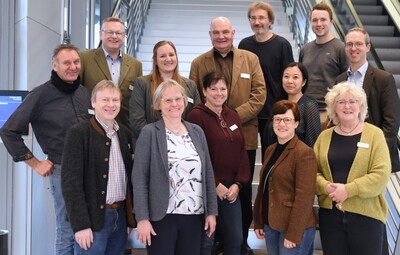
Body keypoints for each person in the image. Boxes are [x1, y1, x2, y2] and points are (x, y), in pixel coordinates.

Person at [0, 44, 91, 254]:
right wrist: (35, 163)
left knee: (85, 228)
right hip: (61, 169)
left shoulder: (84, 93)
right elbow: (8, 131)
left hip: (87, 169)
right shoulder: (40, 95)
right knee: (67, 228)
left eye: (76, 62)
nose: (73, 67)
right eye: (66, 62)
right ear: (54, 65)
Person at [189, 16, 266, 255]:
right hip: (209, 138)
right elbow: (193, 94)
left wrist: (230, 115)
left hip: (244, 134)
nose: (221, 36)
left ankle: (239, 242)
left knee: (241, 195)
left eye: (225, 32)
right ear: (210, 35)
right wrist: (216, 119)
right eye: (216, 32)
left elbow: (259, 94)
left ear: (233, 33)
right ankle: (217, 242)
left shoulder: (250, 59)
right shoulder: (199, 62)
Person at [132, 79, 218, 255]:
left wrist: (211, 212)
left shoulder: (197, 132)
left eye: (178, 99)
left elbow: (208, 174)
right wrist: (142, 218)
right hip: (161, 217)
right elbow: (139, 178)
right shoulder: (149, 133)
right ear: (158, 104)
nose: (174, 104)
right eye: (168, 100)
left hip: (194, 216)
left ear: (185, 102)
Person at [314, 82, 391, 255]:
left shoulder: (374, 134)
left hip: (367, 217)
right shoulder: (324, 137)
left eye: (353, 101)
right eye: (341, 102)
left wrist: (349, 190)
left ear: (361, 106)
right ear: (334, 107)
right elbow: (313, 172)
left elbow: (381, 175)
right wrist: (325, 186)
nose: (347, 106)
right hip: (331, 217)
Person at [61, 80, 135, 254]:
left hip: (120, 217)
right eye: (105, 100)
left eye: (115, 100)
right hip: (93, 221)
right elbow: (70, 184)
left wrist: (129, 219)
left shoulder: (125, 134)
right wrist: (81, 225)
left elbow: (129, 179)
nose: (111, 105)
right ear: (93, 102)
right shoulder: (79, 133)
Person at [187, 72, 250, 255]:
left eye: (222, 88)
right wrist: (215, 185)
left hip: (232, 189)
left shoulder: (232, 115)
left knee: (235, 239)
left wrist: (238, 184)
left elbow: (242, 151)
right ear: (204, 91)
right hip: (207, 188)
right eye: (213, 89)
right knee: (207, 241)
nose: (218, 93)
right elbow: (195, 156)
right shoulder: (196, 117)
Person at [253, 100, 317, 255]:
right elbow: (264, 188)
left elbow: (305, 197)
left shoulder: (304, 153)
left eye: (287, 120)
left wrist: (293, 233)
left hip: (293, 228)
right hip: (271, 223)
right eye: (277, 119)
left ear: (296, 123)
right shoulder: (270, 149)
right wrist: (259, 221)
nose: (282, 124)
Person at [336, 27, 400, 172]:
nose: (353, 48)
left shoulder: (383, 79)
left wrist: (375, 151)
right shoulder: (340, 80)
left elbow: (392, 122)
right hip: (347, 156)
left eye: (358, 44)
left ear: (368, 47)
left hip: (377, 157)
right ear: (345, 47)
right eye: (349, 44)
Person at [239, 1, 294, 158]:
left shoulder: (282, 45)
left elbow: (289, 79)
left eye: (262, 18)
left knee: (271, 158)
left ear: (270, 20)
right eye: (253, 18)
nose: (257, 22)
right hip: (249, 111)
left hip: (273, 111)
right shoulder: (244, 44)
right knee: (245, 159)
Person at [80, 16, 142, 128]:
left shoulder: (135, 65)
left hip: (124, 128)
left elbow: (136, 101)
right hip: (92, 126)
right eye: (110, 32)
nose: (114, 36)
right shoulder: (84, 58)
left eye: (118, 33)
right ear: (100, 34)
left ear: (124, 36)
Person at [130, 40, 200, 139]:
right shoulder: (142, 84)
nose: (168, 59)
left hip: (183, 144)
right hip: (152, 144)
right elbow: (137, 121)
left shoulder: (190, 85)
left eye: (171, 55)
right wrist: (161, 141)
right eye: (162, 56)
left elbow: (197, 118)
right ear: (155, 60)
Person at [299, 3, 348, 124]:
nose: (319, 24)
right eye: (315, 20)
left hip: (327, 112)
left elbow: (346, 82)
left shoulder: (341, 48)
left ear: (331, 22)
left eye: (323, 20)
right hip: (304, 109)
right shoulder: (305, 49)